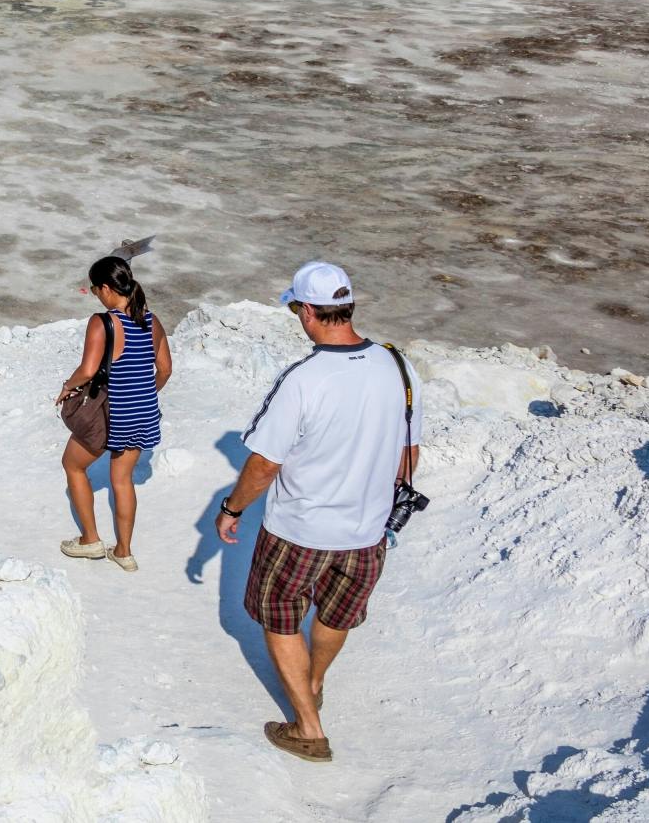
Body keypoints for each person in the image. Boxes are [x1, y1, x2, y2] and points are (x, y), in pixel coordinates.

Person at [216, 261, 420, 765]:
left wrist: (231, 507)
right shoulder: (397, 366)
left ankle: (308, 727)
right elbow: (409, 452)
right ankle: (314, 681)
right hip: (367, 531)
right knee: (336, 613)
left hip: (299, 531)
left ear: (308, 311)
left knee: (281, 619)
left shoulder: (304, 378)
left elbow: (264, 463)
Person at [56, 255, 171, 569]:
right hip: (142, 413)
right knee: (122, 480)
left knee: (73, 465)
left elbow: (88, 369)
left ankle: (91, 540)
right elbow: (164, 370)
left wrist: (67, 386)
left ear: (106, 288)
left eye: (95, 289)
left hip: (109, 413)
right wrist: (142, 395)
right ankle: (123, 552)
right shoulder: (152, 321)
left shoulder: (103, 321)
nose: (96, 295)